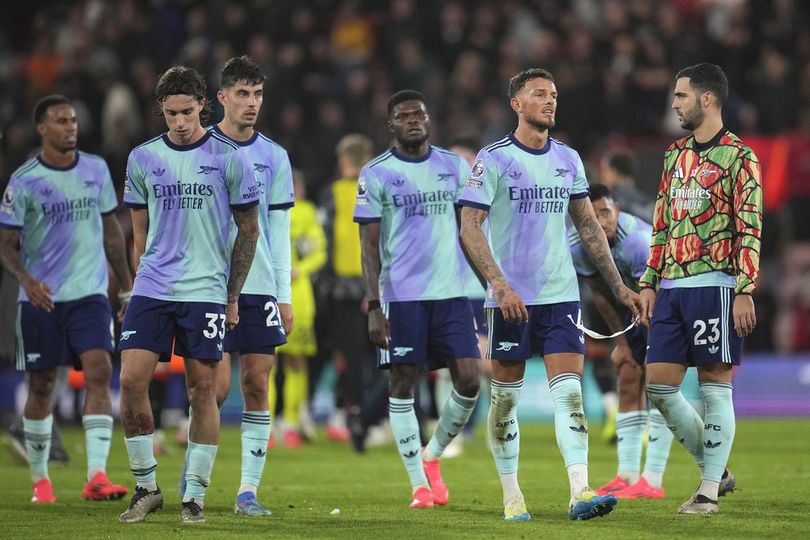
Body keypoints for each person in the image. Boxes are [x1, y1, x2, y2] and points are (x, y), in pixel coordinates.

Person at [458, 68, 645, 521]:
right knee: (505, 401)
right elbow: (469, 226)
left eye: (554, 94)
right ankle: (512, 496)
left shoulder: (569, 158)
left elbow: (589, 228)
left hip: (561, 297)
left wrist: (619, 286)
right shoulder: (493, 159)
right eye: (539, 93)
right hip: (510, 301)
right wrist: (499, 285)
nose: (549, 100)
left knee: (571, 396)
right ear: (516, 104)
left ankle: (580, 491)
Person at [117, 66, 259, 524]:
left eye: (187, 112)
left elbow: (249, 231)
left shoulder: (229, 157)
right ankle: (146, 487)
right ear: (161, 109)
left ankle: (194, 495)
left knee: (203, 390)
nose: (179, 122)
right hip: (153, 286)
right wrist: (135, 286)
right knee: (130, 380)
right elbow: (139, 234)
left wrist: (232, 296)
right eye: (171, 113)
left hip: (205, 289)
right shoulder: (142, 158)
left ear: (203, 105)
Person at [640, 63, 762, 515]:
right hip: (672, 286)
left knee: (714, 384)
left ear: (707, 99)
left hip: (717, 284)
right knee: (659, 386)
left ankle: (708, 491)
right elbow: (661, 223)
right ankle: (718, 470)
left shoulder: (740, 156)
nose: (674, 104)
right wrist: (649, 280)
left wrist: (745, 289)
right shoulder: (674, 155)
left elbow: (750, 225)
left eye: (681, 96)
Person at [0, 94, 132, 503]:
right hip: (41, 299)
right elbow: (6, 245)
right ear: (42, 128)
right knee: (42, 386)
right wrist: (27, 281)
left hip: (89, 294)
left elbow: (112, 232)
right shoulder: (24, 180)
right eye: (61, 121)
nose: (70, 127)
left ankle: (96, 476)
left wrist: (127, 286)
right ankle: (41, 480)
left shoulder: (95, 168)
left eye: (73, 120)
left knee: (98, 370)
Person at [354, 90, 480, 509]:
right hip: (402, 296)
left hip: (452, 294)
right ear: (391, 124)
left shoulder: (454, 166)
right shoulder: (376, 173)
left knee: (469, 380)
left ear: (429, 120)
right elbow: (368, 247)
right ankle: (418, 484)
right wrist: (374, 306)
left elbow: (470, 231)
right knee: (402, 383)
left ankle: (433, 454)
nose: (413, 120)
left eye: (419, 114)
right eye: (404, 116)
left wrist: (492, 283)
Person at [570, 183, 700, 499]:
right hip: (634, 309)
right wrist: (624, 344)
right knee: (628, 375)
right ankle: (627, 475)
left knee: (658, 385)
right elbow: (600, 295)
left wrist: (656, 348)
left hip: (666, 303)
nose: (602, 221)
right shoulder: (578, 246)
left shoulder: (637, 243)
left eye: (606, 212)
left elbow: (652, 295)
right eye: (594, 215)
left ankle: (652, 480)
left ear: (616, 209)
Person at [206, 55, 293, 516]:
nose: (252, 102)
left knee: (257, 383)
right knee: (213, 390)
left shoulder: (275, 156)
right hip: (207, 285)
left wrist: (285, 295)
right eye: (242, 93)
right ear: (222, 97)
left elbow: (279, 231)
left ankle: (247, 492)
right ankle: (194, 482)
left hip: (260, 287)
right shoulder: (202, 149)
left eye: (257, 94)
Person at [274, 172, 327, 447]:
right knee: (265, 362)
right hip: (269, 292)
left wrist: (300, 269)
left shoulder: (307, 212)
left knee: (296, 361)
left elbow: (320, 251)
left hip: (300, 297)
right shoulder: (267, 208)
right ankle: (266, 424)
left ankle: (292, 422)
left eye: (298, 185)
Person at [599, 150, 655, 223]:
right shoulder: (649, 202)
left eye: (605, 170)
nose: (602, 175)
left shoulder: (607, 200)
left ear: (614, 171)